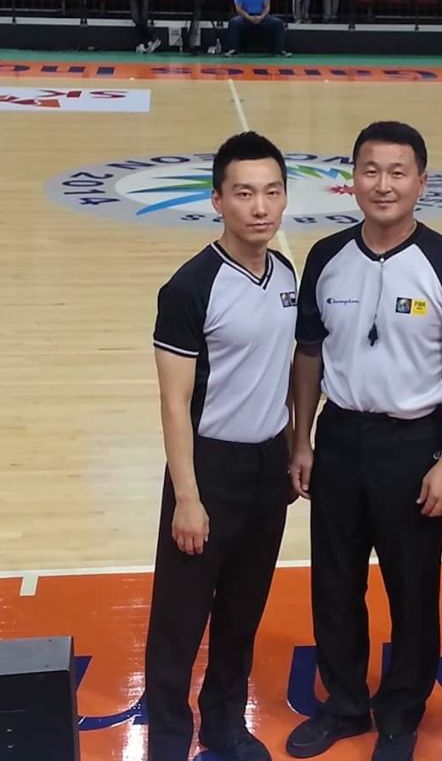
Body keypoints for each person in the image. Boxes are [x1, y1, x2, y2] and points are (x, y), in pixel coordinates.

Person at [286, 121, 442, 761]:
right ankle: (344, 706)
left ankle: (400, 714)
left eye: (398, 172)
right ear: (353, 179)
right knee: (334, 583)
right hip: (340, 437)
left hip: (414, 444)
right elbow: (308, 353)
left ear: (422, 183)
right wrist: (302, 438)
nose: (384, 184)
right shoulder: (324, 256)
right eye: (370, 171)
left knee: (412, 588)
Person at [144, 132, 298, 761]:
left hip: (267, 468)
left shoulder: (287, 274)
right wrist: (187, 496)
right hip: (207, 469)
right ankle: (169, 742)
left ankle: (225, 725)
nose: (260, 207)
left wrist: (292, 450)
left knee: (241, 612)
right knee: (179, 624)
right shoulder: (189, 288)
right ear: (217, 200)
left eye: (271, 192)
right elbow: (174, 402)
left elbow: (288, 375)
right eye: (244, 193)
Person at [226, 0, 291, 57]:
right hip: (246, 17)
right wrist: (249, 18)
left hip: (261, 16)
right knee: (233, 23)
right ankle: (233, 50)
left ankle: (278, 50)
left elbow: (267, 7)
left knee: (278, 23)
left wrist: (261, 17)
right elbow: (238, 8)